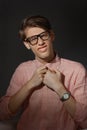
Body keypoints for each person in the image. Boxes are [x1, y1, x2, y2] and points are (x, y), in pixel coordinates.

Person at [0, 15, 87, 130]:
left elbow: (85, 120)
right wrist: (29, 85)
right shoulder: (22, 70)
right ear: (27, 44)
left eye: (43, 35)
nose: (40, 42)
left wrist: (59, 88)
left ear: (51, 36)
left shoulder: (76, 70)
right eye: (33, 39)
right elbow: (3, 113)